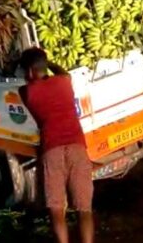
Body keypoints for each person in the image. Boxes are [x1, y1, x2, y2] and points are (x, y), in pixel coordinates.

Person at [19, 48, 94, 243]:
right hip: (77, 147)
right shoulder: (64, 82)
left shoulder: (27, 92)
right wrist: (48, 63)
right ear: (44, 66)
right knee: (84, 209)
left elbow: (27, 84)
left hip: (52, 150)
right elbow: (63, 72)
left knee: (56, 209)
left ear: (29, 71)